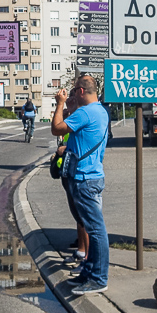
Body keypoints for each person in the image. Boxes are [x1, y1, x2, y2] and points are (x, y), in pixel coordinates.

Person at [51, 74, 110, 296]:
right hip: (93, 174)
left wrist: (60, 103)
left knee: (96, 230)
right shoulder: (101, 111)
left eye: (75, 90)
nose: (74, 93)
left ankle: (99, 278)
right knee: (93, 228)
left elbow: (56, 128)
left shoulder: (85, 112)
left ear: (81, 92)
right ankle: (89, 273)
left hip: (84, 178)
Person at [52, 91, 88, 269]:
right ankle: (81, 250)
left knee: (84, 218)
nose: (67, 103)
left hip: (80, 172)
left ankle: (85, 255)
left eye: (70, 100)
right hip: (70, 171)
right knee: (78, 216)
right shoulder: (72, 116)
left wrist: (63, 149)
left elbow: (56, 129)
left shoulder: (81, 117)